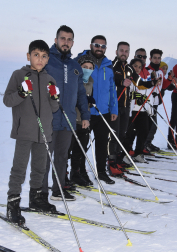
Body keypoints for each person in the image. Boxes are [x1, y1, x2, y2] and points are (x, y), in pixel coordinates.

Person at [4, 40, 60, 222]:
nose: (40, 59)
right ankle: (12, 203)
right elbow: (7, 100)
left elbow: (54, 108)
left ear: (48, 59)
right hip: (24, 132)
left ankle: (36, 198)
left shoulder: (49, 79)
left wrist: (54, 96)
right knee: (19, 169)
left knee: (40, 168)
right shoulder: (19, 75)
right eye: (36, 55)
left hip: (43, 133)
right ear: (28, 56)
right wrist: (21, 93)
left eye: (44, 56)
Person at [44, 25, 90, 201]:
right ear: (56, 40)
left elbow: (80, 93)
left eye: (69, 39)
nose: (66, 42)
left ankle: (58, 189)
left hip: (68, 119)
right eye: (63, 38)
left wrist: (85, 115)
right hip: (49, 118)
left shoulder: (74, 66)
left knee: (62, 157)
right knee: (45, 158)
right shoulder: (47, 60)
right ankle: (41, 193)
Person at [76, 35, 118, 184]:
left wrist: (114, 109)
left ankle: (101, 172)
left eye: (103, 46)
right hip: (86, 111)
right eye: (97, 45)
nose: (99, 48)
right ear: (91, 45)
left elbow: (112, 88)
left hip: (103, 112)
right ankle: (80, 172)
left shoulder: (108, 64)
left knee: (101, 144)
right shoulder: (81, 61)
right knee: (82, 145)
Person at [109, 42, 156, 174]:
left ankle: (118, 159)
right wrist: (120, 82)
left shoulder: (129, 68)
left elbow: (139, 82)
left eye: (126, 51)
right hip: (114, 105)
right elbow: (108, 80)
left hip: (125, 106)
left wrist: (152, 83)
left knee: (122, 134)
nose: (124, 53)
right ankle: (111, 162)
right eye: (121, 50)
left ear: (129, 53)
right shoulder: (112, 66)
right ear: (116, 51)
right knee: (114, 135)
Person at [69, 55, 95, 186]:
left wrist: (90, 101)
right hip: (73, 119)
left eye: (90, 68)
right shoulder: (73, 78)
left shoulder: (90, 80)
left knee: (80, 150)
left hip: (84, 120)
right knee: (69, 149)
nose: (88, 70)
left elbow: (89, 98)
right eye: (85, 67)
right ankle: (64, 175)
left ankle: (76, 173)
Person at [123, 58, 152, 163]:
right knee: (129, 133)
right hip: (131, 110)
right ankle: (125, 154)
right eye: (135, 66)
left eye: (140, 67)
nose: (137, 69)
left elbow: (147, 90)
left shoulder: (141, 79)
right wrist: (134, 96)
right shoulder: (128, 78)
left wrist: (145, 100)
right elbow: (127, 92)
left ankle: (138, 153)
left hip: (142, 110)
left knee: (143, 132)